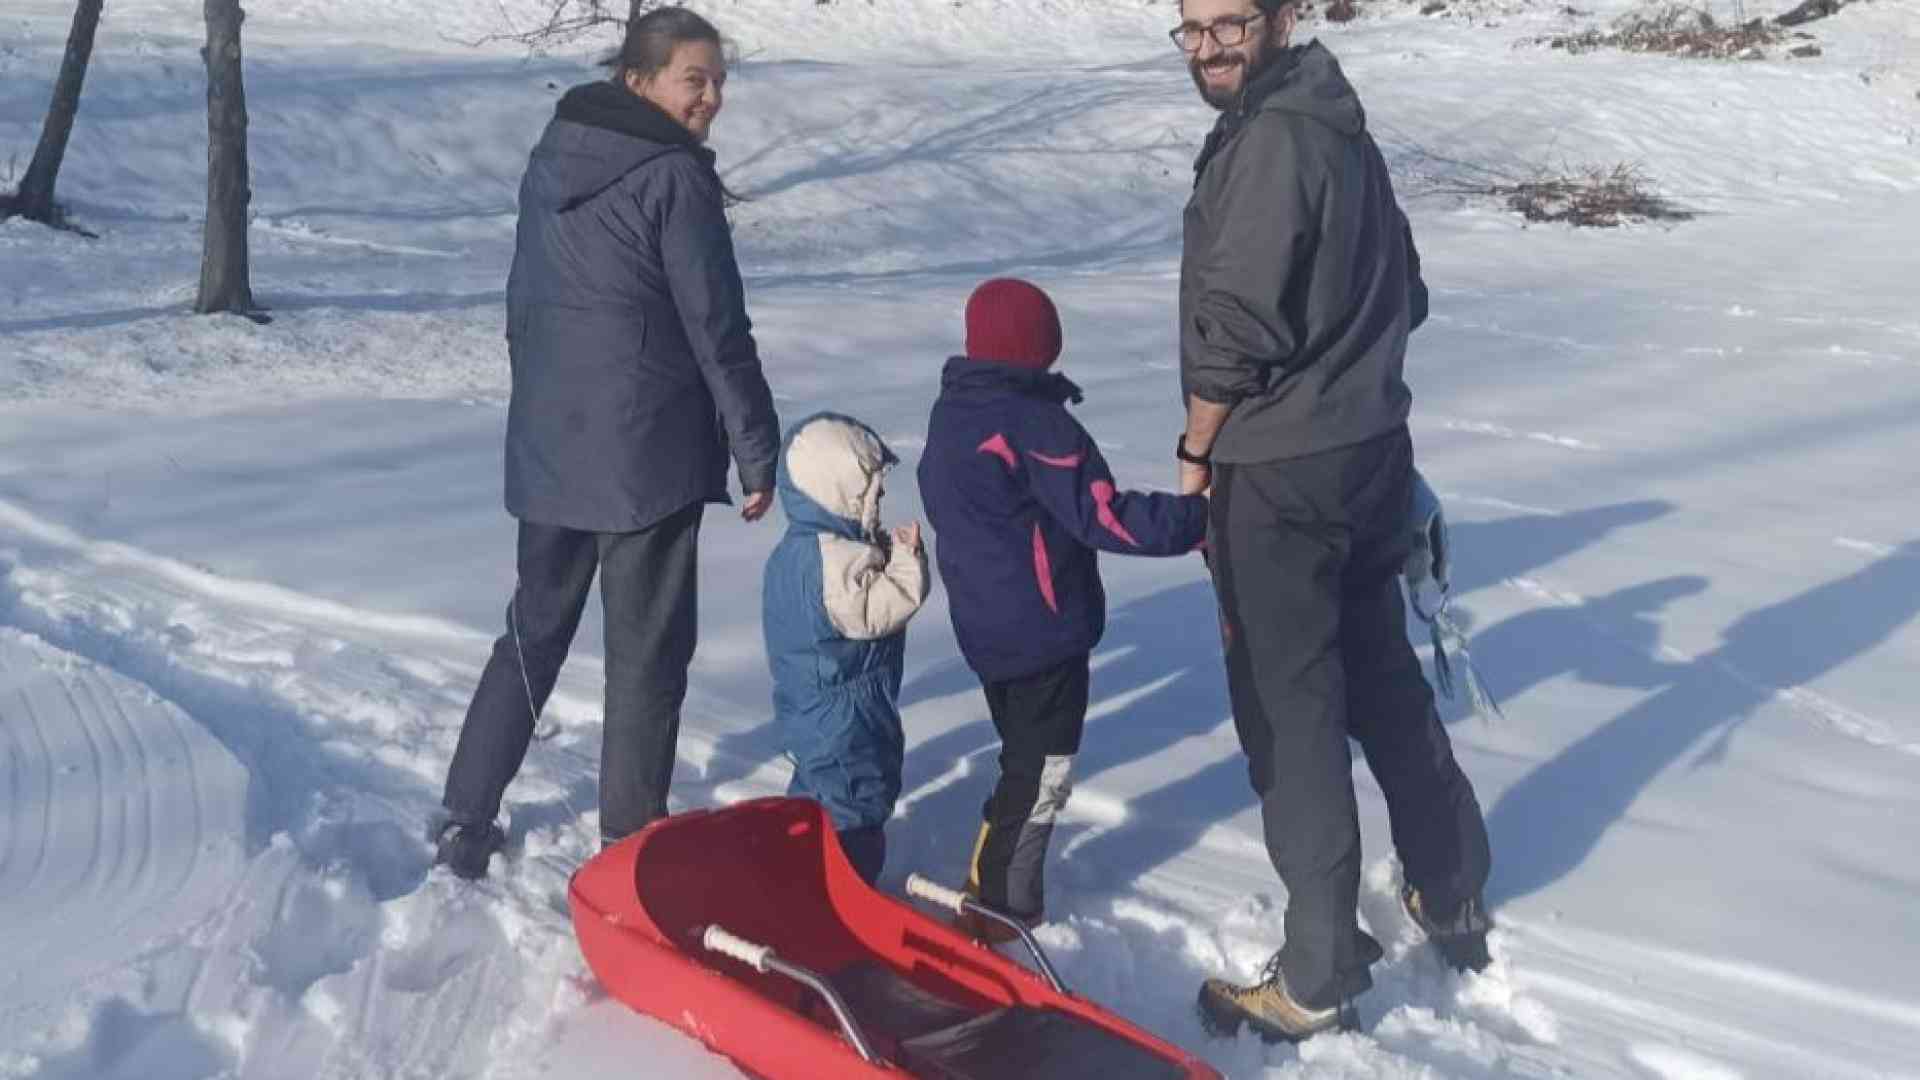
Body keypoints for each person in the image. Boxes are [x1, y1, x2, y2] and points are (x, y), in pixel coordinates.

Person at [1168, 0, 1495, 1041]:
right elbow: (1410, 292)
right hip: (1367, 457)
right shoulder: (1339, 123)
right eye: (1191, 29)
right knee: (1381, 674)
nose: (1209, 47)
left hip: (1281, 474)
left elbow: (1236, 329)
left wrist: (1195, 450)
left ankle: (1316, 974)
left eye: (1229, 23)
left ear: (1282, 16)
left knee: (1290, 714)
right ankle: (1451, 887)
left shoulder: (1274, 141)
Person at [433, 7, 780, 879]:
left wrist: (543, 407)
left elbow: (522, 304)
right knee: (646, 654)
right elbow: (716, 326)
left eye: (719, 82)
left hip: (553, 439)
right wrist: (755, 446)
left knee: (534, 628)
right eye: (694, 79)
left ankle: (466, 813)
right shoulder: (673, 176)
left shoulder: (554, 154)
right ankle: (629, 849)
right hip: (645, 454)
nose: (712, 98)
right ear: (639, 79)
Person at [918, 279, 1209, 940]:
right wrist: (1199, 521)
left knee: (1022, 759)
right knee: (1042, 769)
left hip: (985, 626)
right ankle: (1003, 907)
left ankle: (992, 874)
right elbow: (1104, 516)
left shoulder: (955, 409)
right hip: (1041, 633)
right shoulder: (1035, 426)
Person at [762, 413, 930, 885]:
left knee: (819, 790)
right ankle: (846, 891)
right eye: (872, 494)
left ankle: (798, 872)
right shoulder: (834, 561)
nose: (879, 502)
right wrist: (906, 562)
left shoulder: (798, 551)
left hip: (813, 704)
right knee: (856, 800)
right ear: (840, 492)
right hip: (847, 712)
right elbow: (879, 609)